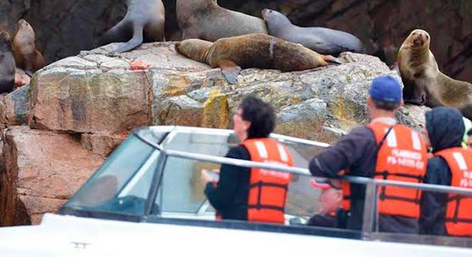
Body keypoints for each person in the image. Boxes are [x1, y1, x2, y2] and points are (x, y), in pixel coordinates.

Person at [309, 75, 428, 233]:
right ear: (400, 104)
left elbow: (318, 166)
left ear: (369, 100)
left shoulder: (363, 136)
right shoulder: (417, 141)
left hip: (366, 226)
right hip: (408, 232)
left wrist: (341, 170)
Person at [201, 96, 294, 223]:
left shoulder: (238, 154)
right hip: (273, 229)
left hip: (239, 227)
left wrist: (208, 183)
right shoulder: (283, 154)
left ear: (246, 124)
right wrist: (227, 174)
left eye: (237, 114)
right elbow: (253, 179)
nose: (234, 118)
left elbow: (220, 201)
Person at [419, 106, 472, 236]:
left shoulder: (436, 165)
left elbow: (430, 209)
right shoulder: (468, 159)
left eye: (429, 127)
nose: (424, 131)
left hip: (440, 239)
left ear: (440, 130)